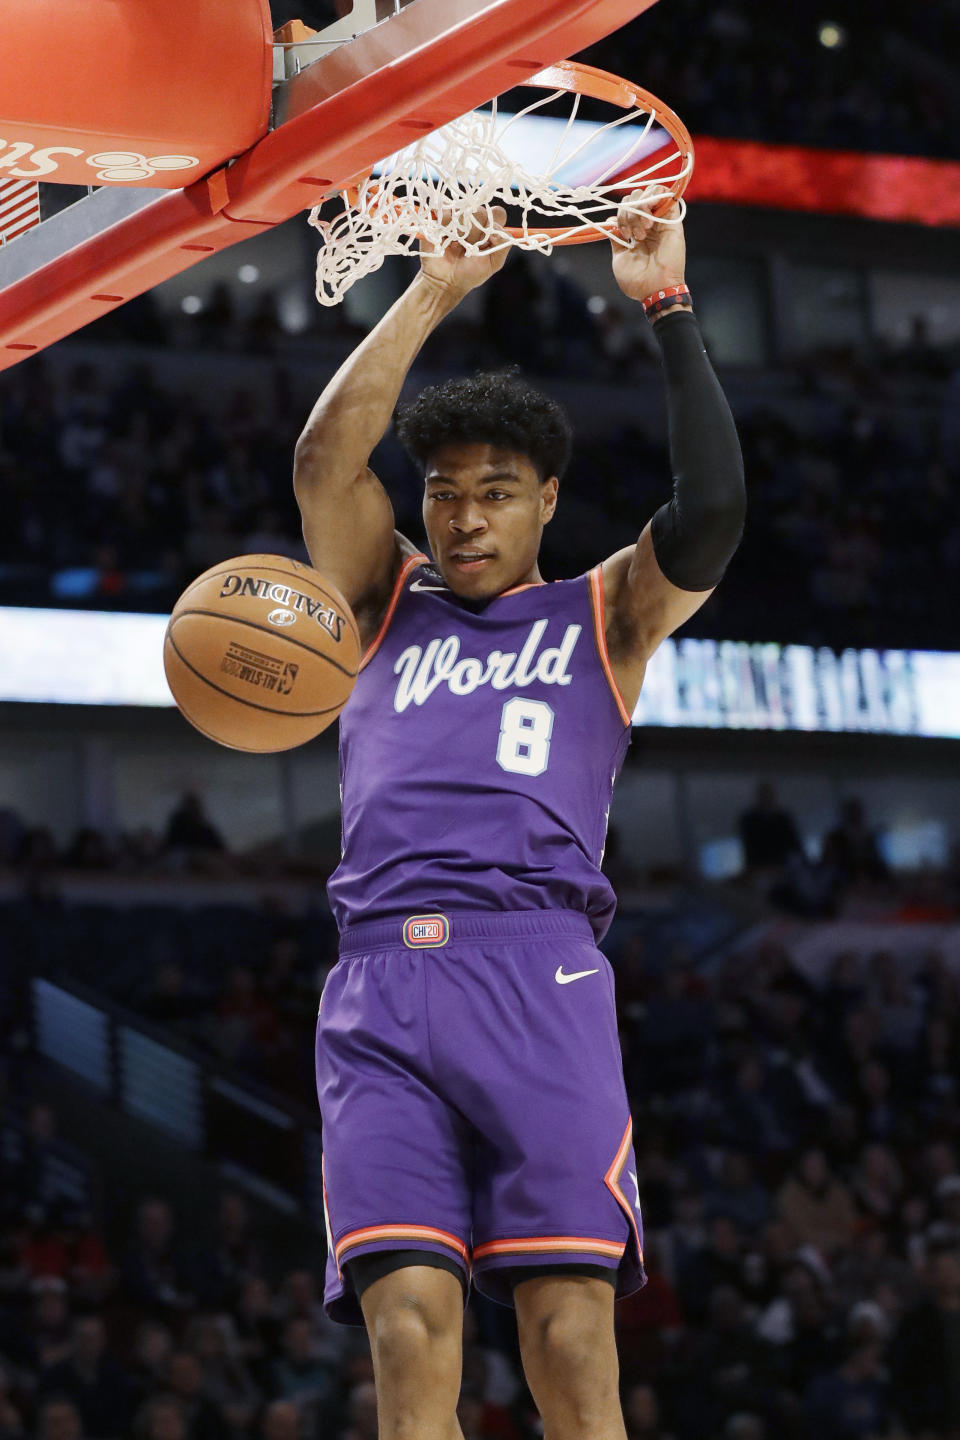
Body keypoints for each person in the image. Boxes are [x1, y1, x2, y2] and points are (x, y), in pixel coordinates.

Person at [294, 195, 745, 1438]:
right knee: (407, 1335)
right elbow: (327, 466)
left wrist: (667, 306)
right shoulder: (386, 595)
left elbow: (708, 515)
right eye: (444, 493)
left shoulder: (603, 614)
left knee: (569, 1348)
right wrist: (435, 285)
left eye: (496, 491)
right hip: (379, 987)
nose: (465, 515)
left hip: (535, 972)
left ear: (547, 500)